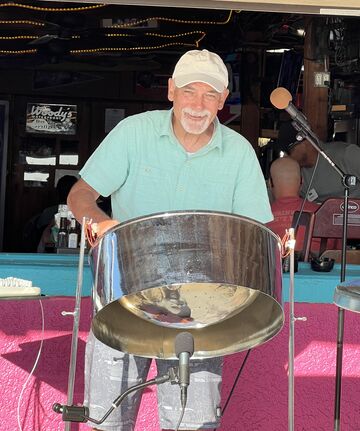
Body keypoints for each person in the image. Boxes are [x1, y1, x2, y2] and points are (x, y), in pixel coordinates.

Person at [67, 49, 273, 431]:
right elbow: (80, 196)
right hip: (124, 300)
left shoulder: (240, 154)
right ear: (171, 91)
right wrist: (101, 223)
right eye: (189, 91)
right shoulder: (134, 133)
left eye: (209, 94)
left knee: (192, 425)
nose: (198, 104)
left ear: (223, 100)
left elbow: (252, 236)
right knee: (107, 422)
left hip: (199, 312)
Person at [276, 121, 360, 203]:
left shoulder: (347, 154)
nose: (286, 156)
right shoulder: (297, 174)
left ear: (305, 143)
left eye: (288, 151)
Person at [267, 156, 321, 255]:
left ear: (270, 183)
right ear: (302, 181)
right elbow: (336, 254)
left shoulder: (259, 216)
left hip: (274, 269)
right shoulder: (322, 213)